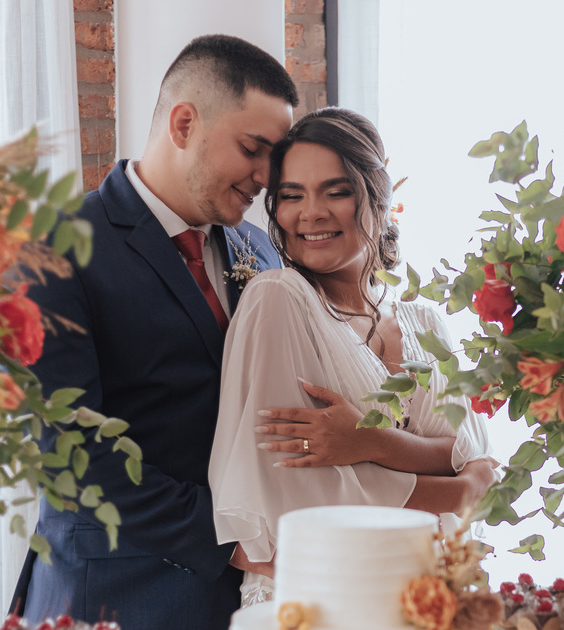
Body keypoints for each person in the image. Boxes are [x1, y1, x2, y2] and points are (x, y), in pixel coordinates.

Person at [9, 35, 298, 630]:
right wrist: (228, 539)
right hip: (115, 612)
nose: (265, 177)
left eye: (274, 158)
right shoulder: (54, 249)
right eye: (252, 149)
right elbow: (70, 452)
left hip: (254, 617)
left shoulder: (258, 248)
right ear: (184, 123)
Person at [209, 107, 495, 603]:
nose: (311, 213)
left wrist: (368, 442)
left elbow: (478, 459)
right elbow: (297, 499)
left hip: (436, 598)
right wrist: (458, 490)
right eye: (291, 195)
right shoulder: (278, 299)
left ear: (379, 198)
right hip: (317, 603)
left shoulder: (425, 322)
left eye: (336, 192)